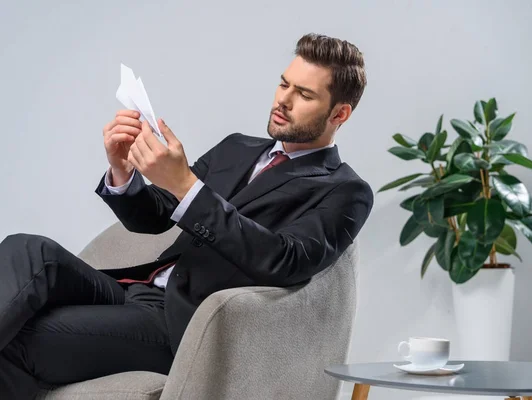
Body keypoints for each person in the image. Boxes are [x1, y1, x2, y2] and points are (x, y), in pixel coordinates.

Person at [0, 33, 373, 399]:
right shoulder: (237, 147)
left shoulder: (345, 190)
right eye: (283, 84)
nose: (283, 100)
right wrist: (122, 173)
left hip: (181, 323)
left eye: (304, 94)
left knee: (26, 335)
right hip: (133, 289)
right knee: (27, 249)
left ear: (340, 113)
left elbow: (285, 260)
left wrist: (187, 187)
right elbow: (156, 216)